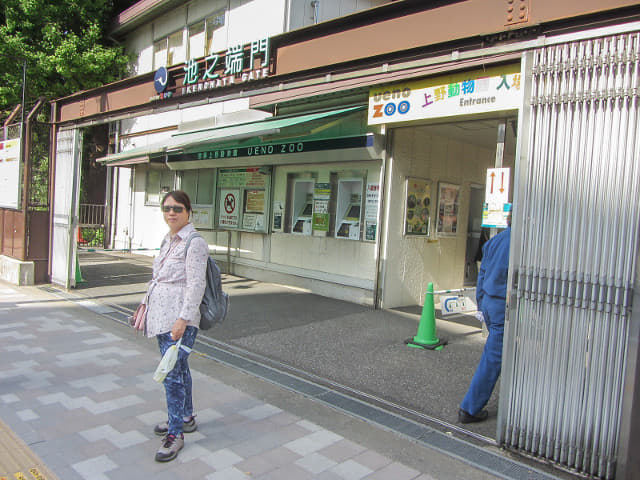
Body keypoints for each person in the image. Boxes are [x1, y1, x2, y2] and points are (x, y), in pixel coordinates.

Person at [131, 190, 209, 461]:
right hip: (161, 316)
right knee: (179, 369)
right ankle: (185, 417)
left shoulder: (194, 242)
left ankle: (175, 433)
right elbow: (159, 278)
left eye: (177, 208)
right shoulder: (169, 240)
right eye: (166, 208)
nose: (171, 213)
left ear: (188, 212)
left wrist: (182, 320)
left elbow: (196, 285)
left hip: (178, 320)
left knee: (171, 375)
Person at [459, 218, 511, 424]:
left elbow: (482, 275)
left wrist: (481, 304)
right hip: (503, 306)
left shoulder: (495, 241)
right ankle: (469, 408)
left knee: (498, 354)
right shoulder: (526, 243)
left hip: (489, 303)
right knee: (493, 358)